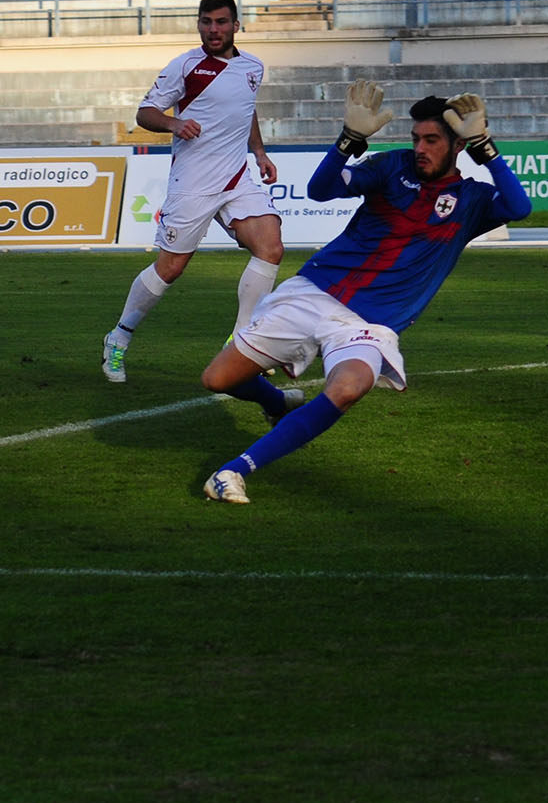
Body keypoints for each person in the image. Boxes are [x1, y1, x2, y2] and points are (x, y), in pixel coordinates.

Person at [199, 85, 531, 504]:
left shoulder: (472, 200)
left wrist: (487, 147)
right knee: (217, 379)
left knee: (348, 387)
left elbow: (520, 209)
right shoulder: (392, 168)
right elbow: (319, 190)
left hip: (370, 324)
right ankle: (280, 404)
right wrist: (348, 141)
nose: (421, 148)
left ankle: (233, 470)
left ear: (457, 145)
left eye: (432, 140)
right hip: (314, 292)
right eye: (416, 139)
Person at [101, 0, 281, 384]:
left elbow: (246, 110)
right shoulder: (185, 66)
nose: (213, 29)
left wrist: (260, 152)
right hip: (193, 183)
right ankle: (118, 337)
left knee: (270, 248)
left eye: (220, 22)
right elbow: (145, 112)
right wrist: (173, 124)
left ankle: (242, 342)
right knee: (171, 268)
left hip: (236, 178)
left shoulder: (253, 66)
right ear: (198, 24)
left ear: (236, 24)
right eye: (206, 22)